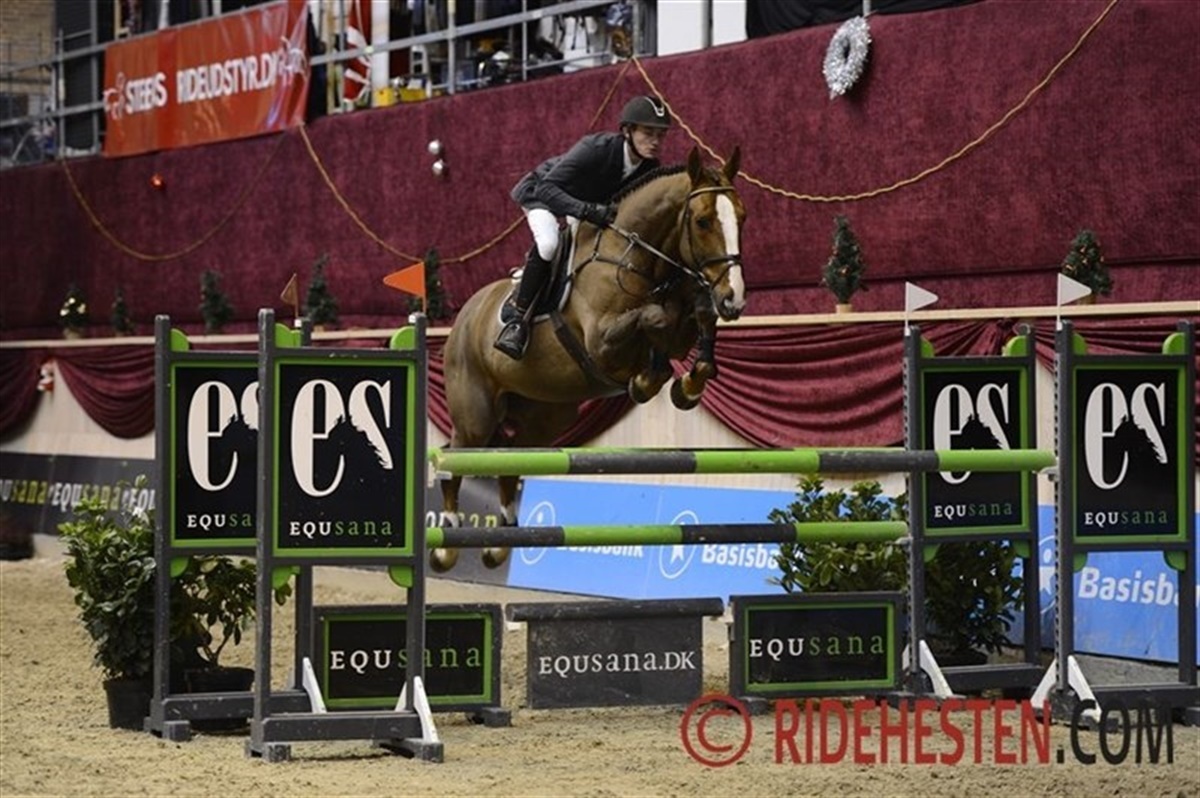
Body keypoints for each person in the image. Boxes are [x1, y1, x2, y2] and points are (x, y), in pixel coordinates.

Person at [494, 94, 672, 360]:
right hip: (541, 194)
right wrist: (587, 211)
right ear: (627, 131)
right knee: (549, 243)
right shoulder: (596, 148)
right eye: (648, 133)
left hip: (584, 205)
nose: (655, 141)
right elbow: (546, 189)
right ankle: (518, 320)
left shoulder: (649, 167)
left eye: (661, 135)